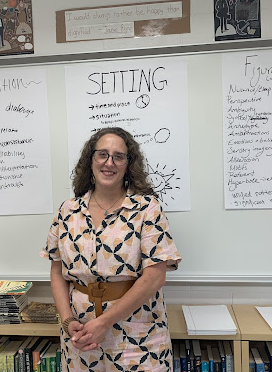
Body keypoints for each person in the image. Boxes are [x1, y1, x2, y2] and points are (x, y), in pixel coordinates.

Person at [41, 127, 181, 371]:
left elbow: (155, 277)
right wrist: (67, 321)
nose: (109, 162)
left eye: (119, 156)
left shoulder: (147, 209)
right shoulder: (68, 211)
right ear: (91, 160)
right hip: (81, 338)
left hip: (139, 336)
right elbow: (57, 271)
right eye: (102, 154)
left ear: (128, 164)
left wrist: (104, 322)